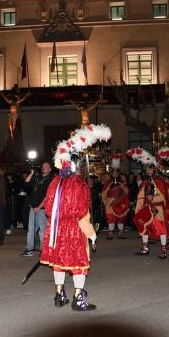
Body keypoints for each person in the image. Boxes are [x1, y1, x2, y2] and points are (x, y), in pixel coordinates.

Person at [40, 124, 110, 311]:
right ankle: (78, 299)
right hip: (73, 229)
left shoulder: (54, 182)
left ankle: (59, 294)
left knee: (58, 264)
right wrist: (91, 233)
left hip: (55, 229)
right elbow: (81, 213)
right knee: (79, 264)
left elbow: (48, 208)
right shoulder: (79, 185)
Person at [127, 148, 168, 258]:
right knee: (144, 227)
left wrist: (153, 199)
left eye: (150, 168)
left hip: (157, 210)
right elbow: (140, 196)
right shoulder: (145, 182)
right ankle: (145, 248)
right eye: (146, 168)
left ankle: (164, 250)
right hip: (146, 209)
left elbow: (163, 197)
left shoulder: (159, 181)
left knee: (161, 229)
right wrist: (138, 208)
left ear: (154, 168)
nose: (148, 170)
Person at [20, 162, 54, 257]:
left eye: (46, 166)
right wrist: (31, 173)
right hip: (33, 207)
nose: (44, 168)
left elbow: (48, 196)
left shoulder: (51, 180)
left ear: (50, 169)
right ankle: (29, 248)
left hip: (42, 208)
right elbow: (26, 183)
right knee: (31, 229)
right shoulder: (37, 177)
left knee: (42, 229)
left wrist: (39, 207)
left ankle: (43, 250)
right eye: (43, 166)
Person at [101, 167, 129, 239]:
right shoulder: (108, 182)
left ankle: (120, 233)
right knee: (110, 218)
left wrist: (123, 187)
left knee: (121, 218)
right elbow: (104, 193)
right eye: (113, 173)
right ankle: (110, 233)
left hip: (120, 203)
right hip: (110, 203)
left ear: (118, 174)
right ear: (111, 174)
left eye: (116, 173)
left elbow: (126, 192)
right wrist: (107, 201)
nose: (115, 174)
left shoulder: (122, 182)